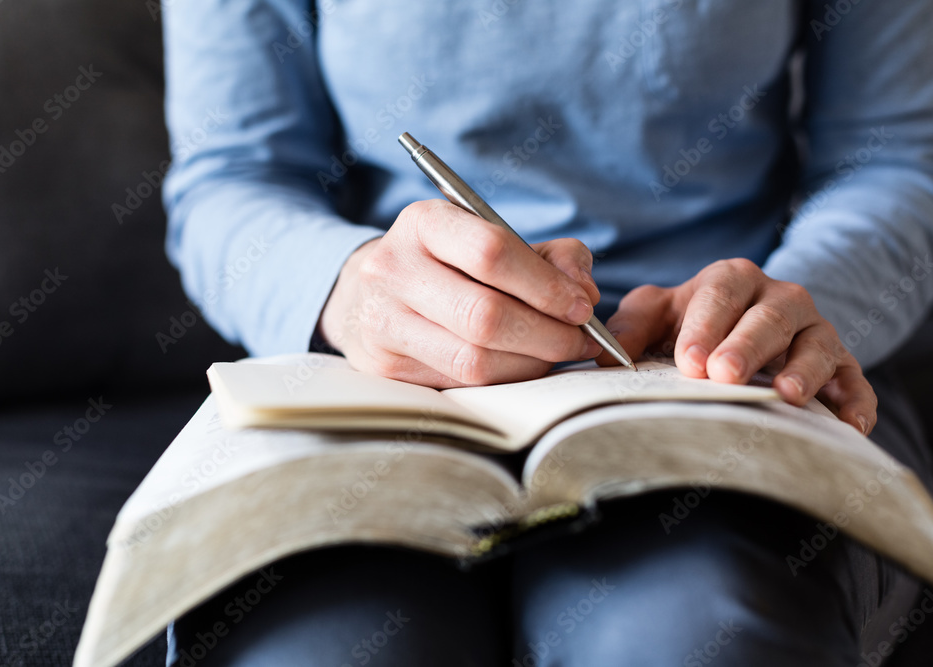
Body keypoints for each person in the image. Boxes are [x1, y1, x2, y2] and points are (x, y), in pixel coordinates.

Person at [161, 1, 933, 665]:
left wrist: (798, 309)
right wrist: (347, 288)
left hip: (724, 369)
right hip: (379, 373)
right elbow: (230, 178)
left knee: (706, 628)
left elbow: (896, 160)